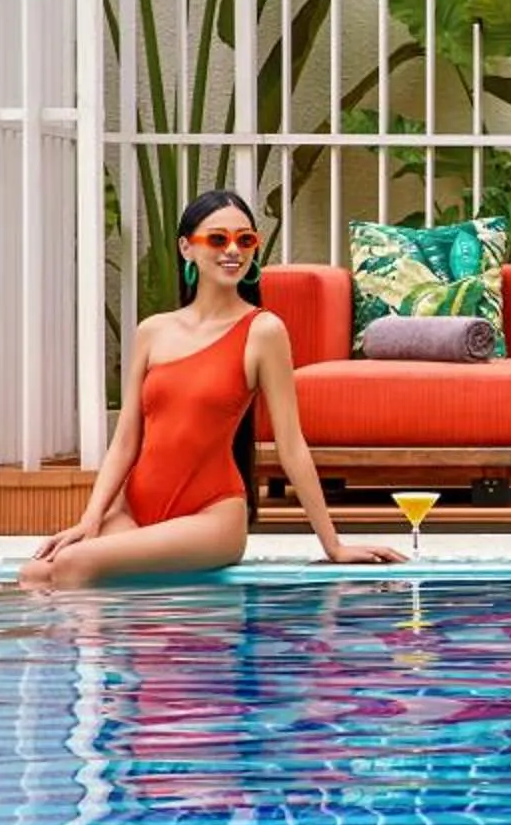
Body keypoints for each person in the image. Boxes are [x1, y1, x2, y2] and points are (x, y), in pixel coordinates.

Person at [23, 190, 404, 585]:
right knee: (33, 574)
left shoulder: (263, 331)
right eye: (218, 239)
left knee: (74, 565)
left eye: (245, 240)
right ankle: (126, 637)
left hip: (211, 516)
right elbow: (125, 441)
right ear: (186, 248)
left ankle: (100, 648)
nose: (233, 250)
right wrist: (90, 520)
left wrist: (333, 546)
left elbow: (291, 445)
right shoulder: (152, 331)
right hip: (134, 509)